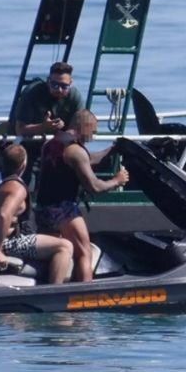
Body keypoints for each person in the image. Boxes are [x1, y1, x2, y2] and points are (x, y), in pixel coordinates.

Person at [35, 109, 129, 283]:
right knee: (84, 253)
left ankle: (50, 289)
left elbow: (88, 159)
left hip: (43, 209)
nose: (93, 136)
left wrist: (112, 150)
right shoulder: (75, 151)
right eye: (93, 131)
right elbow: (95, 187)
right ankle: (85, 292)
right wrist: (117, 180)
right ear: (84, 126)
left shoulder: (52, 144)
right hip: (63, 210)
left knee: (55, 253)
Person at [0, 143, 73, 284]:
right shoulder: (17, 189)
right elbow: (4, 215)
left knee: (54, 236)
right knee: (65, 246)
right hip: (6, 243)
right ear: (23, 165)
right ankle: (53, 291)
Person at [14, 62, 84, 142]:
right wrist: (43, 127)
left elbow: (80, 128)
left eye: (64, 86)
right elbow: (19, 130)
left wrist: (68, 132)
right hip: (29, 143)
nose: (59, 90)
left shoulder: (74, 96)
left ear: (70, 83)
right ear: (48, 81)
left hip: (60, 144)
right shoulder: (32, 93)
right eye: (55, 85)